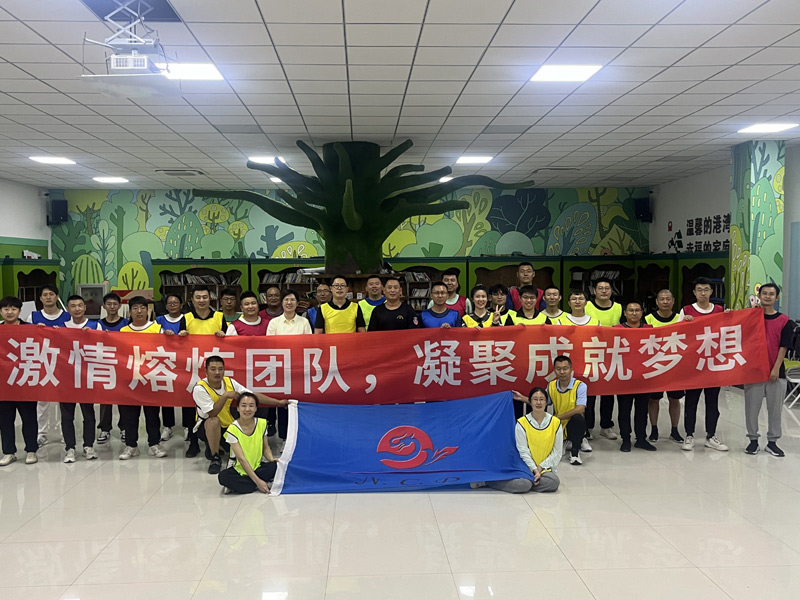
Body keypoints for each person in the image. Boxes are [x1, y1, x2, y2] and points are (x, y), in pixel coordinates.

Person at [192, 356, 288, 474]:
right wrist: (225, 396)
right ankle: (215, 457)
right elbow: (212, 413)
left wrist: (278, 403)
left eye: (220, 369)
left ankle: (220, 447)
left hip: (228, 426)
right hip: (206, 427)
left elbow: (251, 396)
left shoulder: (229, 382)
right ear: (206, 371)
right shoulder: (200, 388)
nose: (217, 372)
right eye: (213, 369)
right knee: (214, 421)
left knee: (248, 414)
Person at [473, 387, 561, 493]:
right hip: (524, 467)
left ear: (546, 402)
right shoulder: (522, 423)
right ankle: (489, 482)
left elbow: (557, 452)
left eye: (541, 399)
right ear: (530, 402)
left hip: (544, 468)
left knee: (554, 482)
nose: (538, 402)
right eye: (535, 399)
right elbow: (523, 450)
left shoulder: (555, 422)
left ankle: (528, 483)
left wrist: (540, 468)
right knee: (523, 485)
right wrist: (534, 469)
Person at [744, 283, 793, 457]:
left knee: (775, 409)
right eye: (764, 293)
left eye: (771, 294)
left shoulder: (785, 321)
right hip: (754, 372)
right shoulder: (750, 318)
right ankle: (753, 441)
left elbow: (783, 346)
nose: (767, 296)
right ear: (759, 295)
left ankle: (772, 442)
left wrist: (776, 368)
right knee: (751, 409)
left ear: (777, 297)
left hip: (775, 372)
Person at [118, 296, 167, 460]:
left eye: (142, 308)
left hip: (151, 378)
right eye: (135, 308)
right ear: (130, 312)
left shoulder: (157, 329)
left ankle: (154, 444)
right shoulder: (123, 332)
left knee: (152, 414)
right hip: (130, 379)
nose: (139, 311)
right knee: (130, 415)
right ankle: (131, 445)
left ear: (148, 310)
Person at [682, 277, 728, 452]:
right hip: (694, 366)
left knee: (712, 402)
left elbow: (728, 331)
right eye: (699, 290)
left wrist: (730, 317)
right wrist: (683, 323)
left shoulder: (719, 310)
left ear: (711, 292)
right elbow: (678, 336)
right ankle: (689, 435)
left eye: (706, 289)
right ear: (694, 293)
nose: (703, 293)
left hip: (713, 365)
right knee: (691, 402)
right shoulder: (686, 311)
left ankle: (711, 436)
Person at [181, 286, 227, 458]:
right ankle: (193, 442)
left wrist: (224, 336)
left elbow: (229, 343)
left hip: (213, 372)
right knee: (189, 406)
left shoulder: (219, 317)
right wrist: (180, 336)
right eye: (198, 297)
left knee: (213, 407)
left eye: (205, 297)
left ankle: (212, 443)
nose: (201, 300)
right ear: (192, 300)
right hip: (192, 370)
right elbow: (178, 345)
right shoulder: (186, 318)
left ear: (210, 298)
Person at [267, 289, 311, 446]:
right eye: (286, 300)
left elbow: (309, 345)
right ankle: (285, 438)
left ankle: (300, 437)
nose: (289, 303)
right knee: (283, 404)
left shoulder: (304, 322)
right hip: (281, 369)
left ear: (297, 303)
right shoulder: (274, 323)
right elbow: (270, 346)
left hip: (299, 369)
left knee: (299, 403)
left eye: (292, 300)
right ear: (282, 302)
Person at [60, 295, 99, 463]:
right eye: (73, 306)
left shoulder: (94, 325)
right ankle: (70, 448)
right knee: (67, 415)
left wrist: (94, 336)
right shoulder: (61, 327)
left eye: (80, 305)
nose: (77, 309)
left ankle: (88, 446)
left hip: (86, 377)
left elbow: (103, 346)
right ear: (68, 309)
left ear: (85, 307)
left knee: (88, 413)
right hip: (66, 378)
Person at [0, 296, 38, 466]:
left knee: (29, 418)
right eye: (6, 309)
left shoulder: (30, 329)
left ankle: (31, 450)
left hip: (25, 381)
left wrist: (46, 331)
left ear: (20, 311)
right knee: (5, 420)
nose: (10, 312)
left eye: (13, 309)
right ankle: (9, 452)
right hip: (4, 384)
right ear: (1, 311)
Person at [614, 301, 657, 452]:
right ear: (625, 313)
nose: (634, 313)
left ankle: (641, 439)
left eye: (637, 310)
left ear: (642, 312)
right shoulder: (616, 329)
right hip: (624, 378)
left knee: (642, 410)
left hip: (643, 378)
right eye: (631, 310)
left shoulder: (649, 329)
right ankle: (625, 439)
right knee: (624, 411)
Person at [644, 289, 685, 444]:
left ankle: (675, 430)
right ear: (657, 301)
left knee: (675, 399)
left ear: (673, 301)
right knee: (653, 400)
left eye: (668, 299)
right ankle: (654, 430)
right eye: (662, 299)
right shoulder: (648, 319)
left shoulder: (680, 319)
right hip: (655, 367)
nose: (665, 302)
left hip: (675, 367)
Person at [582, 278, 620, 443]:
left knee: (608, 393)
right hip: (590, 353)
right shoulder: (587, 306)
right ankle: (588, 426)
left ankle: (606, 426)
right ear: (594, 291)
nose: (604, 291)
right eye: (600, 288)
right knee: (589, 393)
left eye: (607, 288)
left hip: (611, 354)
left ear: (611, 290)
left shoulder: (618, 307)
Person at [31, 284, 69, 447]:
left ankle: (65, 433)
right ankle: (42, 433)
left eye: (51, 294)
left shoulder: (67, 317)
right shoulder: (33, 317)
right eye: (45, 295)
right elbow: (27, 338)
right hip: (42, 363)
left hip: (62, 363)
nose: (48, 297)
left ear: (57, 297)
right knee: (42, 401)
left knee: (64, 401)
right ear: (40, 298)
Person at [218, 392, 278, 494]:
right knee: (223, 477)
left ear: (256, 408)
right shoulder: (232, 429)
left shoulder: (262, 423)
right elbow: (241, 459)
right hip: (239, 469)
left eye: (251, 406)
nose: (247, 409)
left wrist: (271, 459)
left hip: (257, 467)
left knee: (275, 466)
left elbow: (265, 447)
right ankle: (256, 483)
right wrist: (258, 481)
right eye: (243, 405)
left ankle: (245, 486)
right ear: (238, 408)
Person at [96, 292, 128, 444]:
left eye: (115, 304)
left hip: (122, 366)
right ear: (104, 306)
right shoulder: (98, 325)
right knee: (105, 399)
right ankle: (105, 428)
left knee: (123, 399)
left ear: (120, 306)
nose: (112, 307)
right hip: (105, 366)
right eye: (109, 304)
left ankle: (124, 428)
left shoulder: (126, 324)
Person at [547, 355, 589, 465]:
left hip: (571, 423)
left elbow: (580, 409)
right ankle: (565, 440)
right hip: (558, 425)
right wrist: (522, 398)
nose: (562, 372)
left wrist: (557, 417)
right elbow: (541, 402)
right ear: (554, 370)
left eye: (565, 368)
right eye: (558, 369)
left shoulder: (580, 386)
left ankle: (575, 452)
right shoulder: (551, 385)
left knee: (578, 418)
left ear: (571, 369)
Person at [156, 294, 187, 441]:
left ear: (181, 305)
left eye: (176, 302)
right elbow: (153, 336)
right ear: (166, 306)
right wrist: (163, 334)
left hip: (184, 361)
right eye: (170, 303)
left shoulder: (187, 319)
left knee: (186, 393)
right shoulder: (159, 320)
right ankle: (168, 426)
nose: (173, 305)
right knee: (166, 394)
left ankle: (188, 426)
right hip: (166, 361)